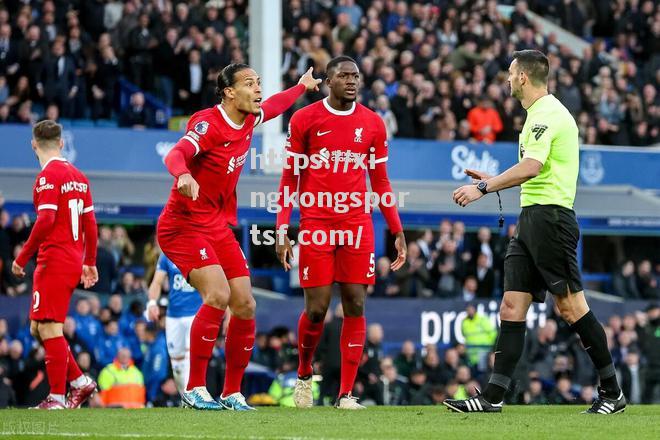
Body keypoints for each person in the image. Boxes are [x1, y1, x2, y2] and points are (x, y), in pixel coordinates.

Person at [446, 50, 625, 414]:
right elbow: (534, 171)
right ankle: (493, 398)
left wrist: (485, 188)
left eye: (511, 74)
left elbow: (532, 166)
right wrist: (493, 179)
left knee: (571, 307)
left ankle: (612, 393)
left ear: (524, 77)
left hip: (551, 221)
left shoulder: (548, 114)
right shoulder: (536, 116)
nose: (508, 80)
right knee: (511, 306)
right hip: (532, 218)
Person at [158, 63, 320, 410]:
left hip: (216, 225)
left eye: (259, 82)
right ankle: (195, 389)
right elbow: (176, 153)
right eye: (250, 83)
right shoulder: (207, 123)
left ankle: (231, 392)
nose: (258, 89)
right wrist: (183, 174)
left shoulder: (249, 118)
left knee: (245, 304)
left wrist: (301, 87)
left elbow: (275, 106)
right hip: (182, 225)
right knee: (217, 294)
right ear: (229, 92)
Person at [275, 56, 407, 410]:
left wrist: (396, 228)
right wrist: (282, 225)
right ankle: (304, 375)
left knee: (356, 303)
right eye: (344, 76)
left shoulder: (374, 124)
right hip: (316, 223)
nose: (352, 81)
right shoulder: (304, 119)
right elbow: (290, 177)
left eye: (356, 76)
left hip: (356, 224)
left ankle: (346, 394)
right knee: (317, 310)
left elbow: (380, 181)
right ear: (328, 81)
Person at [11, 120, 99, 409]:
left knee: (49, 329)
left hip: (55, 259)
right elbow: (90, 225)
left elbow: (46, 220)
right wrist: (89, 262)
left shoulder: (48, 177)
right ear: (61, 143)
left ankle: (58, 397)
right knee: (39, 328)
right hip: (71, 258)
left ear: (33, 145)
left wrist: (22, 257)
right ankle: (79, 382)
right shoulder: (80, 176)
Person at [146, 252, 203, 394]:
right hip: (173, 315)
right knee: (177, 364)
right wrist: (152, 303)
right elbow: (157, 282)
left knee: (191, 355)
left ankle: (192, 395)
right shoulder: (167, 254)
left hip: (195, 313)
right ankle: (184, 396)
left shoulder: (202, 252)